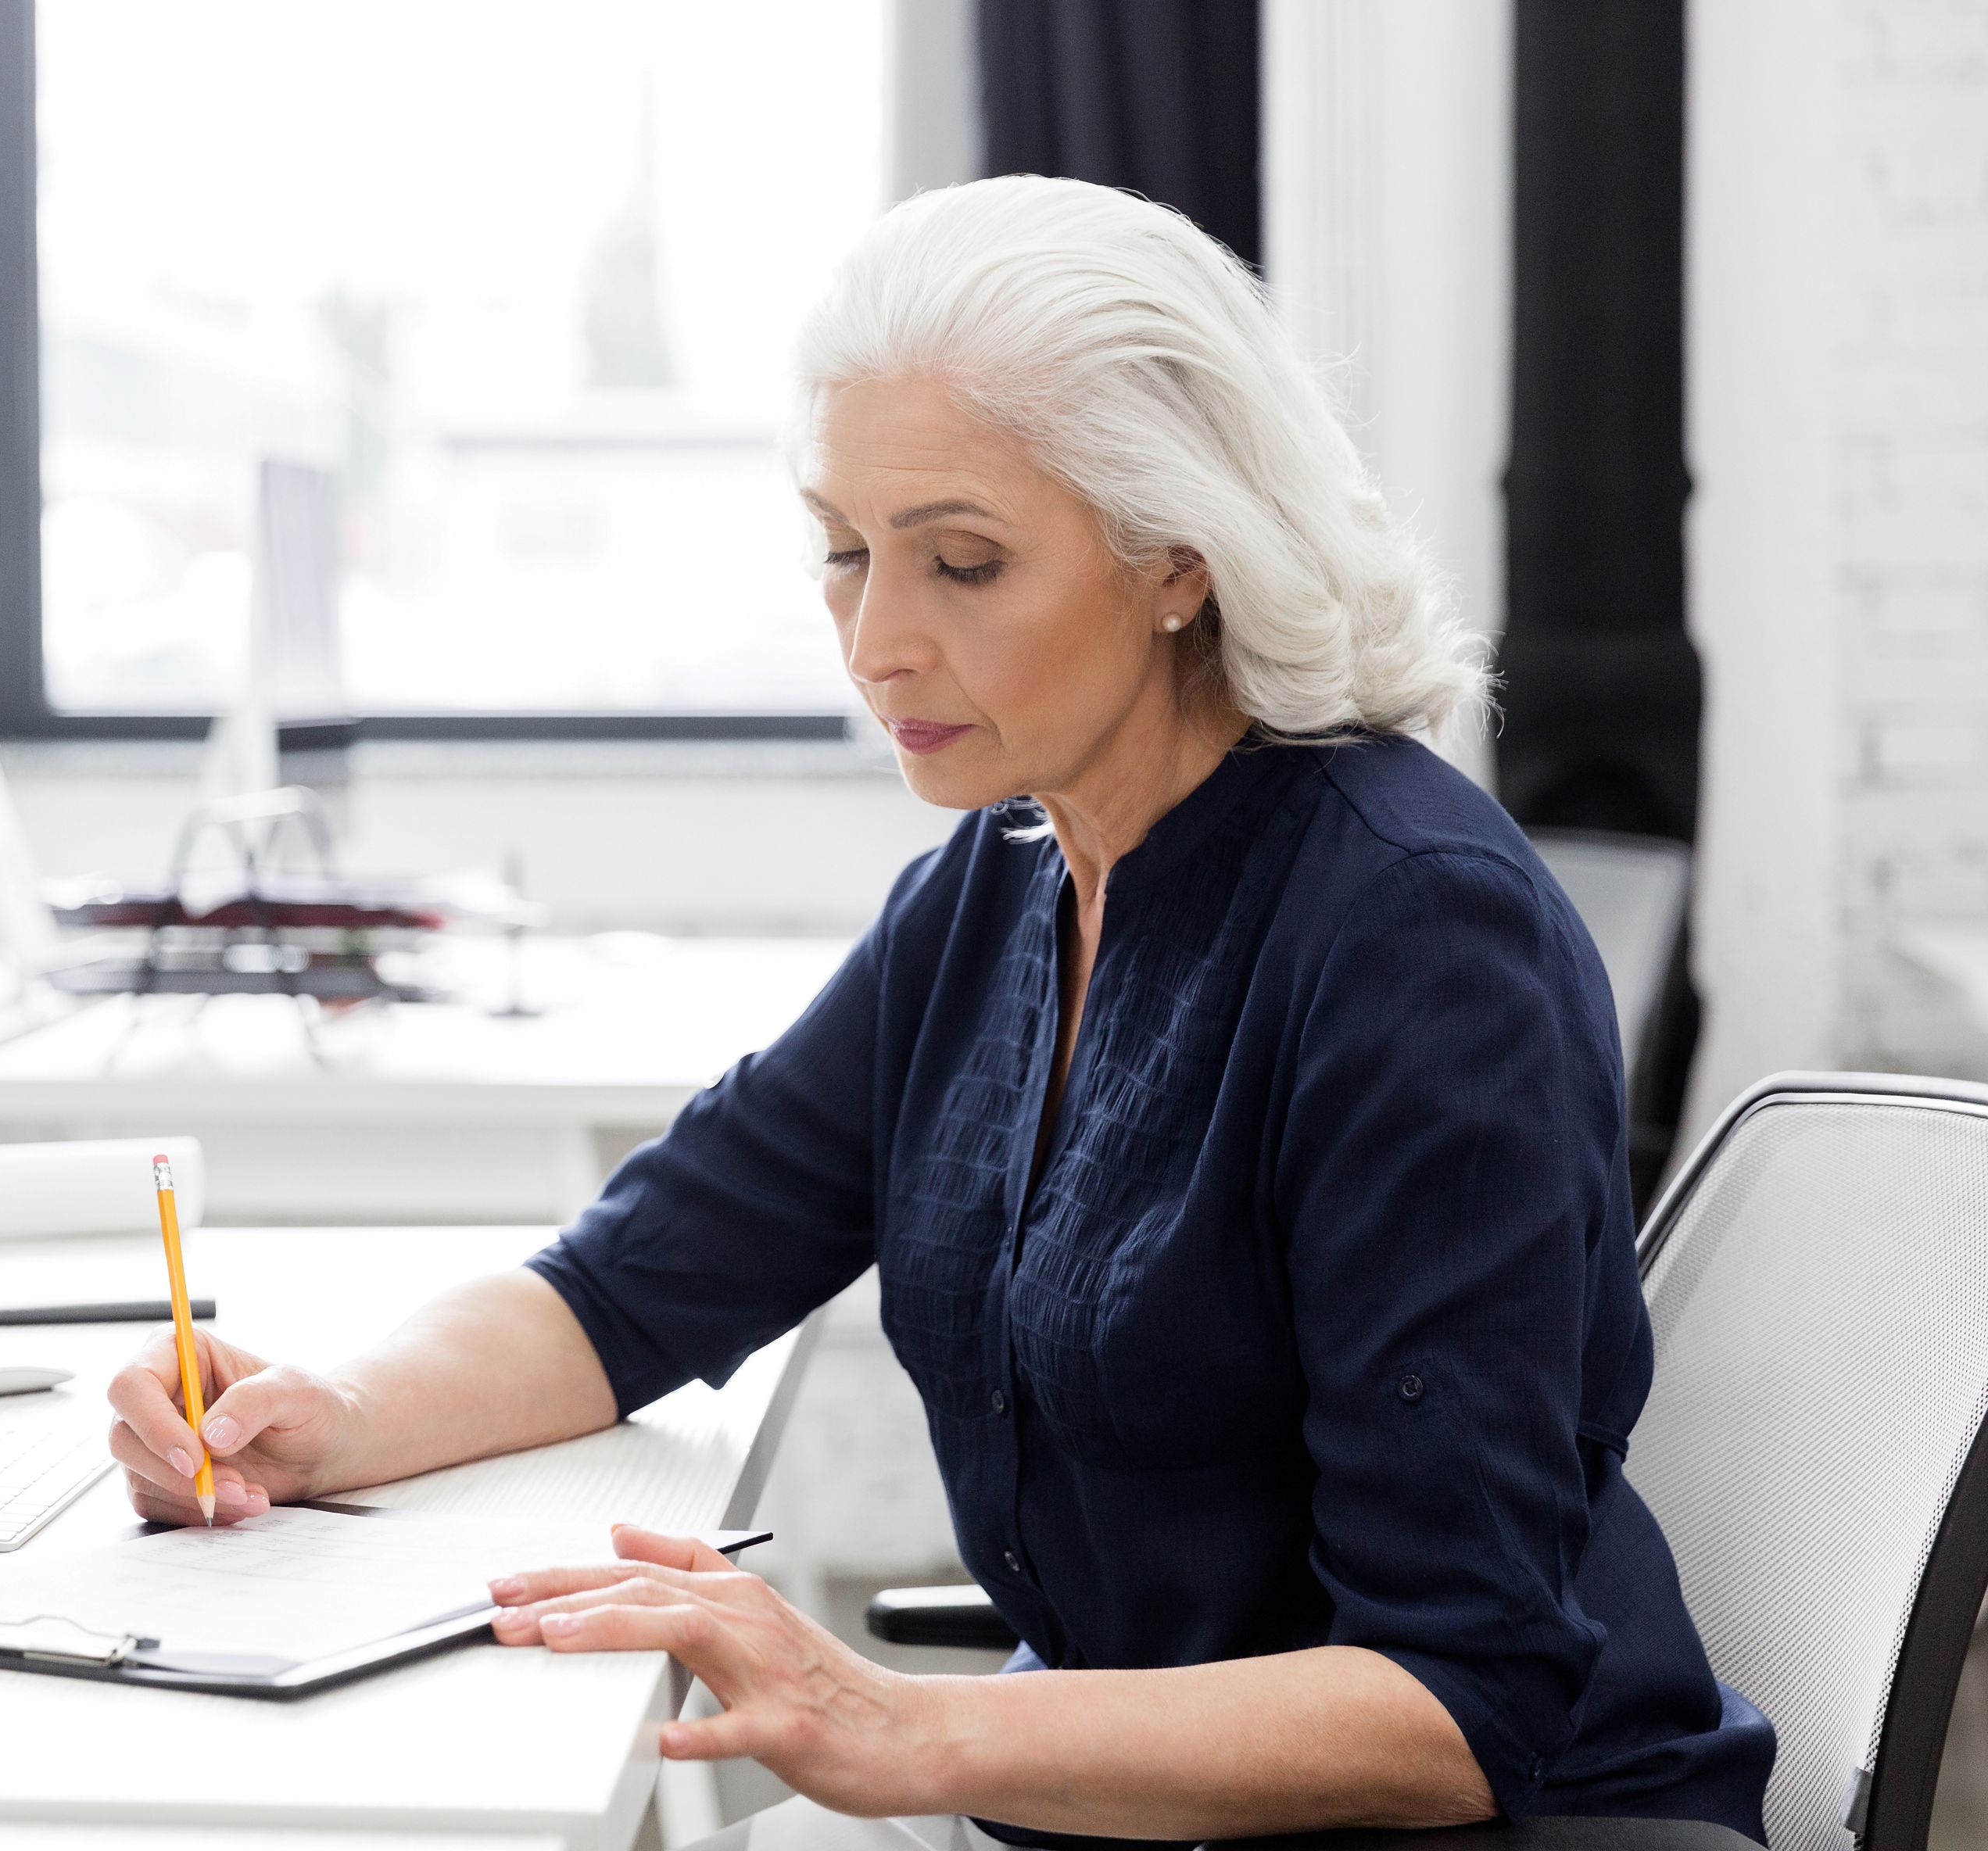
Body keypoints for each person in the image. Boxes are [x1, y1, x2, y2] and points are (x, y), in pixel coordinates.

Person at [106, 175, 1775, 1849]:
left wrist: (913, 1727)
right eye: (844, 552)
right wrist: (330, 1416)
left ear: (1179, 559)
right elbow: (630, 1282)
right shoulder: (1003, 881)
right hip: (1107, 1805)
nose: (876, 640)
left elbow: (1458, 1699)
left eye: (962, 563)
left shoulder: (1416, 937)